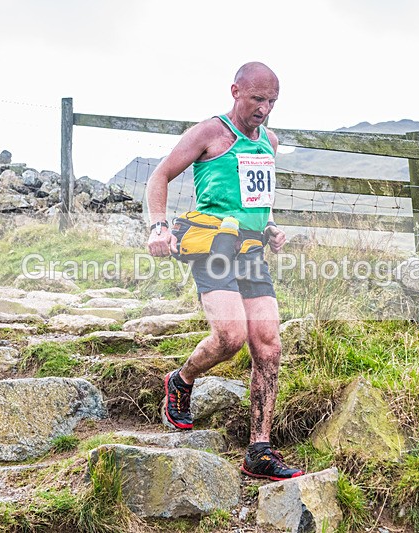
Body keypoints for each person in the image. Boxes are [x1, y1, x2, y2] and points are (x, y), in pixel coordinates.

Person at [146, 62, 304, 481]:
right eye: (257, 99)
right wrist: (158, 225)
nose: (265, 109)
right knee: (230, 338)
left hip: (251, 250)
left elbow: (257, 198)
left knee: (268, 346)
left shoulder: (269, 141)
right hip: (213, 247)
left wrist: (269, 225)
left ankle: (259, 450)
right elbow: (160, 176)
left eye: (272, 101)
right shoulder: (209, 133)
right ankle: (181, 380)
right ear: (235, 91)